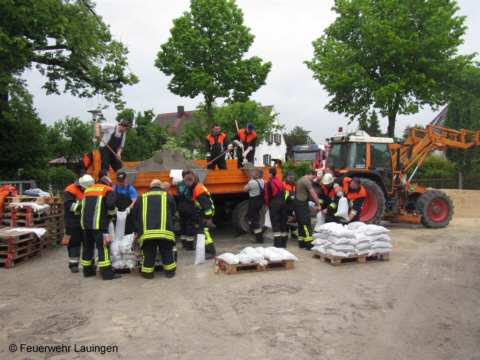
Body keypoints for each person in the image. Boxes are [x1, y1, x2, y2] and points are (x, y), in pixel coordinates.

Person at [132, 179, 177, 279]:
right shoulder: (167, 195)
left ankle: (148, 274)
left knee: (148, 252)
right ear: (160, 186)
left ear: (150, 186)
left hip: (147, 233)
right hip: (165, 232)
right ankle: (169, 272)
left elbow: (134, 213)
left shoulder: (142, 197)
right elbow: (173, 210)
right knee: (166, 251)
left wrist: (137, 229)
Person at [81, 173, 119, 280]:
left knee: (88, 247)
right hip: (99, 224)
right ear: (108, 182)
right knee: (103, 247)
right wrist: (111, 216)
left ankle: (87, 271)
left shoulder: (88, 190)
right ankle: (107, 274)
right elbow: (111, 206)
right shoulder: (107, 189)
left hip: (85, 224)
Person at [63, 174, 95, 273]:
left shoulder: (90, 189)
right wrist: (85, 206)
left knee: (88, 242)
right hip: (73, 221)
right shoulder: (70, 189)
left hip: (85, 221)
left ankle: (89, 263)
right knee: (74, 242)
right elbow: (69, 206)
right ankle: (73, 264)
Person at [184, 173, 217, 259]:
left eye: (185, 182)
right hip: (203, 212)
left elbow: (207, 206)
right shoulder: (195, 187)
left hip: (206, 213)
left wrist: (208, 218)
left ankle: (212, 251)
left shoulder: (198, 190)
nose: (184, 184)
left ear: (189, 182)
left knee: (205, 231)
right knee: (202, 231)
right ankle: (207, 249)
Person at [294, 169, 321, 250]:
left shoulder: (300, 180)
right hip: (302, 204)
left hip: (297, 203)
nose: (313, 179)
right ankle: (309, 244)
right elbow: (313, 193)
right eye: (313, 177)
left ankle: (301, 243)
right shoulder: (306, 181)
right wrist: (318, 204)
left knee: (301, 224)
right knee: (306, 223)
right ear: (309, 174)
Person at [265, 168, 287, 248]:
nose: (267, 174)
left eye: (267, 173)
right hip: (283, 202)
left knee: (275, 223)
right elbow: (284, 191)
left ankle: (277, 244)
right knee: (282, 222)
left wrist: (268, 205)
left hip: (274, 203)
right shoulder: (280, 181)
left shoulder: (269, 183)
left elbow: (267, 196)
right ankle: (284, 243)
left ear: (271, 174)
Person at [244, 168, 266, 244]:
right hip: (261, 202)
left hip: (253, 202)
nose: (252, 174)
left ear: (257, 175)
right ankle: (251, 230)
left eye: (254, 173)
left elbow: (245, 189)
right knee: (251, 216)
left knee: (254, 220)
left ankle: (259, 238)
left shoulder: (252, 182)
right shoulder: (265, 181)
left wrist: (249, 181)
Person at [176, 169, 196, 250]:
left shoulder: (178, 184)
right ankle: (189, 245)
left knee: (182, 225)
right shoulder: (191, 183)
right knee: (190, 225)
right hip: (189, 206)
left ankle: (183, 243)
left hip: (181, 205)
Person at [283, 172, 298, 240]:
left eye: (292, 178)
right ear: (287, 177)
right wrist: (289, 197)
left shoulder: (295, 184)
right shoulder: (284, 184)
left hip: (293, 205)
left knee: (293, 219)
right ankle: (286, 234)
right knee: (286, 220)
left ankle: (293, 234)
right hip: (286, 204)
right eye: (290, 178)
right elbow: (283, 195)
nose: (291, 179)